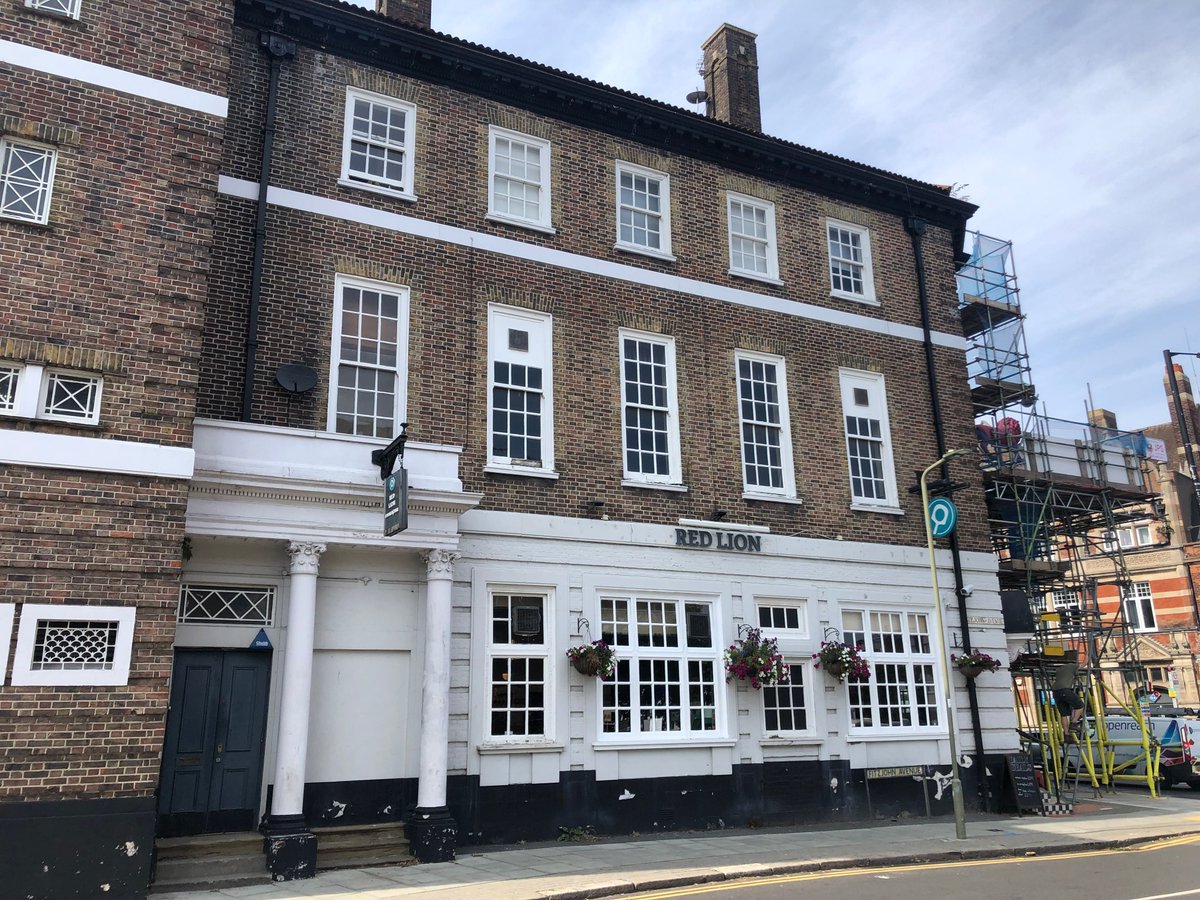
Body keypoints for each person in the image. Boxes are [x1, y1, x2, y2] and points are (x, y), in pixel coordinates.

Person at [1052, 651, 1084, 740]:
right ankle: (1073, 723)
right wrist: (1087, 655)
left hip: (1055, 692)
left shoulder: (1059, 669)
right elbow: (1084, 664)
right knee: (1080, 706)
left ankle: (1066, 735)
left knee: (1064, 714)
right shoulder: (1072, 666)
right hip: (1065, 690)